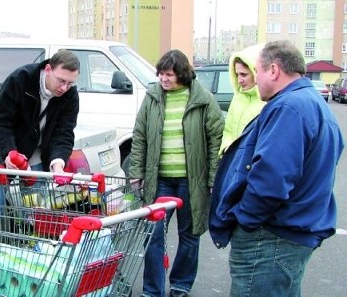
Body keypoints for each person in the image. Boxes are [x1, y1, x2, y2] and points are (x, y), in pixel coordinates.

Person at [209, 40, 344, 297]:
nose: (252, 80)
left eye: (256, 71)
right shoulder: (313, 104)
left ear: (273, 70)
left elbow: (271, 179)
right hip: (288, 235)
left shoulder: (288, 107)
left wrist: (245, 219)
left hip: (269, 240)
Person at [128, 49, 224, 297]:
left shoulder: (203, 99)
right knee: (154, 235)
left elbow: (216, 139)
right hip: (159, 181)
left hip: (191, 181)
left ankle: (181, 284)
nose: (163, 79)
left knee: (190, 236)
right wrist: (137, 172)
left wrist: (213, 178)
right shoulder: (152, 97)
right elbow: (139, 137)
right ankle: (152, 290)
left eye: (169, 74)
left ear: (182, 74)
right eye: (161, 74)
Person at [0, 49, 80, 229]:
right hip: (6, 152)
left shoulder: (70, 95)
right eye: (61, 81)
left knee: (37, 216)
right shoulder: (20, 80)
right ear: (48, 69)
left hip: (38, 157)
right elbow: (1, 122)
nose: (64, 88)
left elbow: (64, 132)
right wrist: (9, 152)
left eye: (70, 83)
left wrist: (58, 163)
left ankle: (32, 252)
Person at [219, 44, 266, 154]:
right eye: (237, 75)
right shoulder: (237, 98)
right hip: (234, 162)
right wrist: (226, 148)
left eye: (244, 75)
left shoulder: (267, 102)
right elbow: (228, 131)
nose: (239, 80)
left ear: (256, 73)